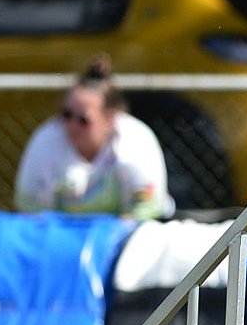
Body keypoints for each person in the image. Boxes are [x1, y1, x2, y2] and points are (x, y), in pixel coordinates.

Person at [13, 54, 172, 220]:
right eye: (66, 115)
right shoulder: (46, 140)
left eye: (84, 120)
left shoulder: (135, 140)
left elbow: (146, 209)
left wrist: (112, 232)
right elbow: (31, 213)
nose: (72, 125)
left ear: (110, 118)